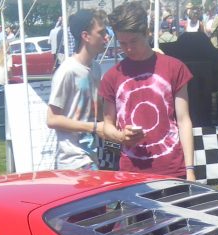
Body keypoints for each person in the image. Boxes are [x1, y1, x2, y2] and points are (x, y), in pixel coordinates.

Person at [100, 1, 196, 181]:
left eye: (133, 41)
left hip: (172, 170)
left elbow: (184, 120)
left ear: (147, 32)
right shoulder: (111, 77)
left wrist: (190, 169)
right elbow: (107, 125)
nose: (128, 48)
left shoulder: (175, 68)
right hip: (131, 174)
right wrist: (121, 136)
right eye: (122, 43)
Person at [47, 10, 111, 170]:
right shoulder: (67, 71)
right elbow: (52, 119)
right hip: (73, 163)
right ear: (85, 36)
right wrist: (94, 128)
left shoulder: (96, 68)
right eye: (101, 32)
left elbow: (99, 113)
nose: (107, 37)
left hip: (93, 157)